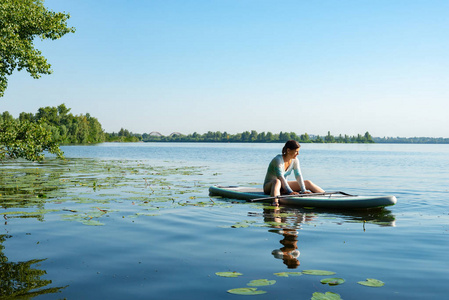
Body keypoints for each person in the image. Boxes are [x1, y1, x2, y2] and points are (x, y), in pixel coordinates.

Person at [263, 140, 324, 206]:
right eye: (296, 151)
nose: (298, 154)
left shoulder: (295, 160)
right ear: (288, 150)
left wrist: (303, 190)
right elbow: (281, 177)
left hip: (283, 186)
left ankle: (327, 195)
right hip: (270, 186)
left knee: (307, 183)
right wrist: (290, 192)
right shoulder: (277, 160)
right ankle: (275, 202)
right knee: (277, 181)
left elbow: (298, 175)